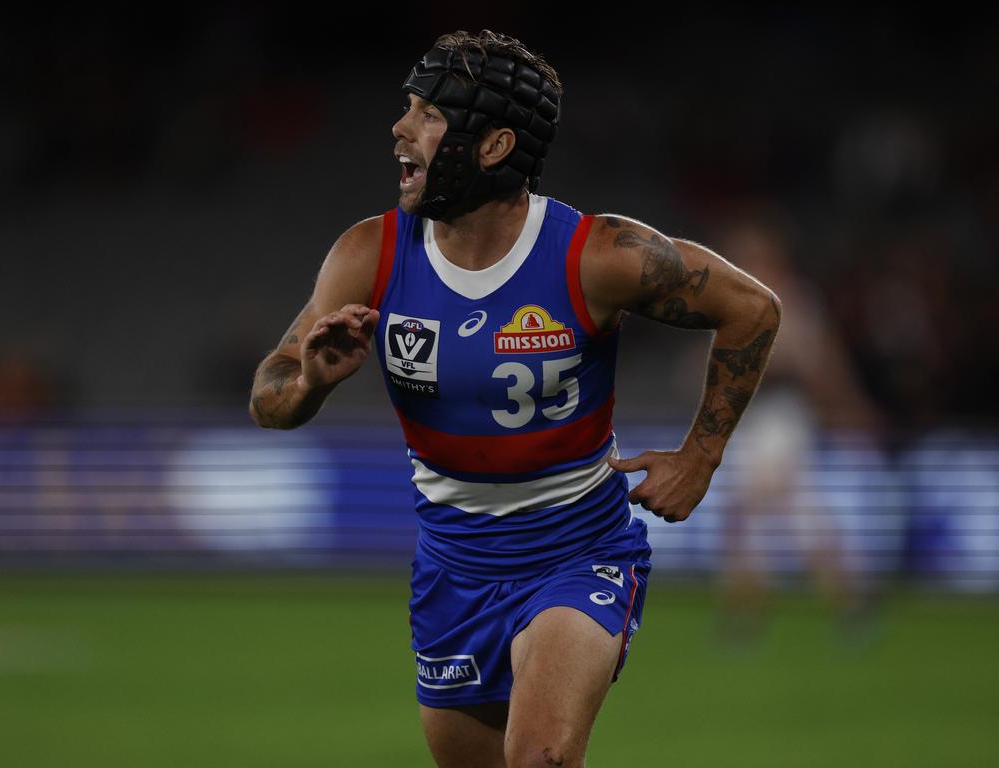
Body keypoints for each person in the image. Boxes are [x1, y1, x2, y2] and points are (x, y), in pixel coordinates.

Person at [249, 30, 781, 768]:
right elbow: (269, 394)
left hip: (578, 552)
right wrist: (307, 381)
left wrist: (703, 454)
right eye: (408, 108)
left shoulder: (597, 255)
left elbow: (752, 308)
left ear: (494, 145)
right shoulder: (369, 254)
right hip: (452, 567)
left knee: (540, 759)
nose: (401, 129)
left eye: (428, 113)